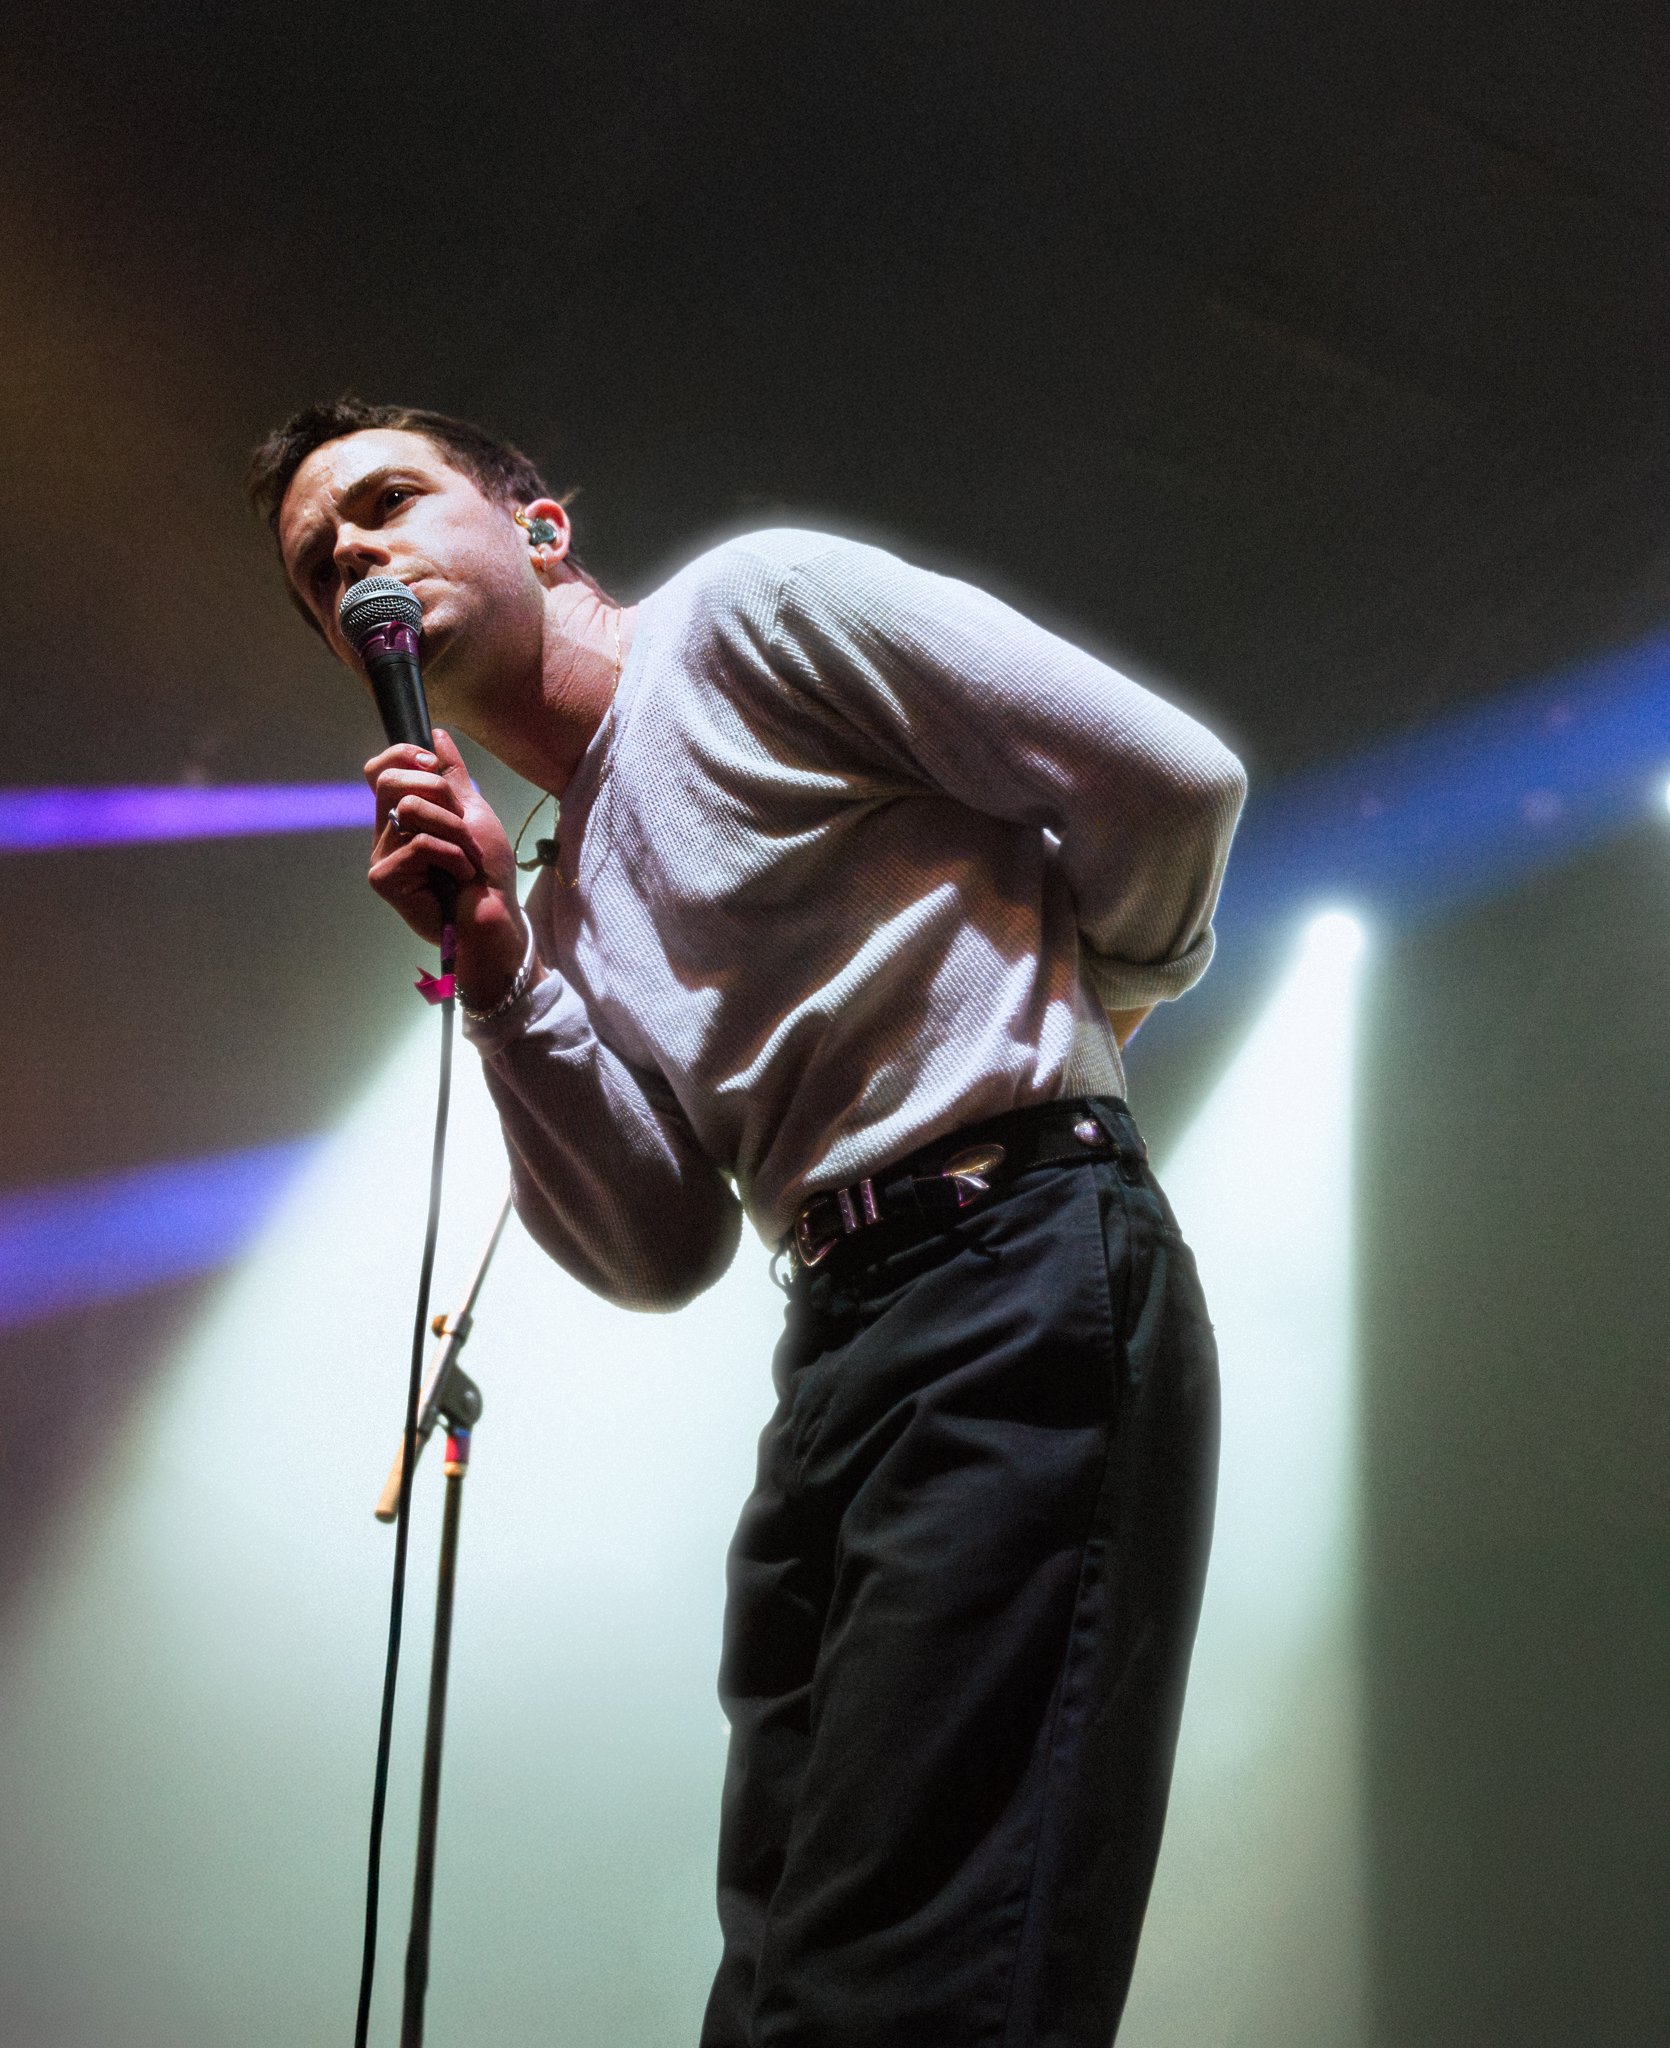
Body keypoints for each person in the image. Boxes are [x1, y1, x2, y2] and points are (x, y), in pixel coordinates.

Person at [249, 398, 1246, 2046]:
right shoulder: (555, 896)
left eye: (389, 500)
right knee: (784, 1971)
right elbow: (660, 1250)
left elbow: (1172, 785)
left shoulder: (747, 611)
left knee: (918, 1963)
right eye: (316, 563)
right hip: (839, 1332)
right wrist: (498, 967)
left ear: (540, 529)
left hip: (1012, 1251)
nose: (351, 548)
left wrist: (1092, 1009)